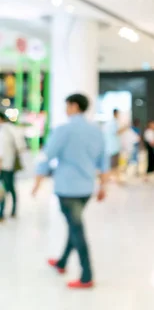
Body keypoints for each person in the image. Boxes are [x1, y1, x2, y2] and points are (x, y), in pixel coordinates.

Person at [32, 93, 109, 289]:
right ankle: (62, 262)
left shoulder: (63, 130)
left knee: (77, 230)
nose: (66, 110)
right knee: (74, 226)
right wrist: (103, 186)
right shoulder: (96, 131)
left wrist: (37, 182)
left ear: (74, 106)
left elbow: (47, 156)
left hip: (67, 188)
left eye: (67, 106)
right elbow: (104, 162)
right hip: (86, 189)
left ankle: (87, 275)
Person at [0, 113, 26, 221]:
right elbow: (21, 146)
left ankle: (2, 213)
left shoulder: (6, 130)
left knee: (5, 188)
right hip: (7, 164)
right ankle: (12, 211)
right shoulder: (11, 129)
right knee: (9, 187)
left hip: (5, 164)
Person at [103, 109, 126, 182]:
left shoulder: (110, 123)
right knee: (114, 165)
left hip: (112, 147)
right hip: (113, 147)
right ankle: (116, 179)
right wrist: (125, 128)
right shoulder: (113, 123)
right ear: (116, 114)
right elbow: (116, 132)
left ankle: (115, 178)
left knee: (114, 165)